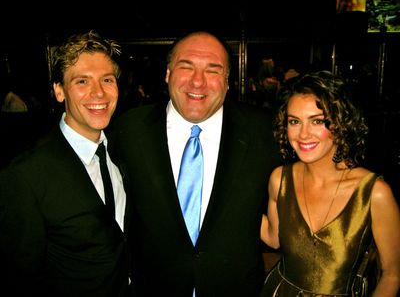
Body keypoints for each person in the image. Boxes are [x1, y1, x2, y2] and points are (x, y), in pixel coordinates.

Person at [109, 30, 281, 297]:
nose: (198, 82)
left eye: (213, 71)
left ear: (227, 82)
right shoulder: (127, 132)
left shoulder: (266, 133)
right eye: (186, 67)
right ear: (167, 74)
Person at [0, 30, 130, 297]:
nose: (99, 93)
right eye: (82, 81)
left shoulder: (125, 149)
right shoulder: (26, 175)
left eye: (107, 79)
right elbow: (21, 277)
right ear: (59, 91)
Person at [260, 70, 400, 296]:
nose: (303, 134)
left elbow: (392, 274)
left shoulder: (374, 193)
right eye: (294, 122)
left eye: (317, 121)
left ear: (342, 123)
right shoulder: (280, 179)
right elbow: (274, 238)